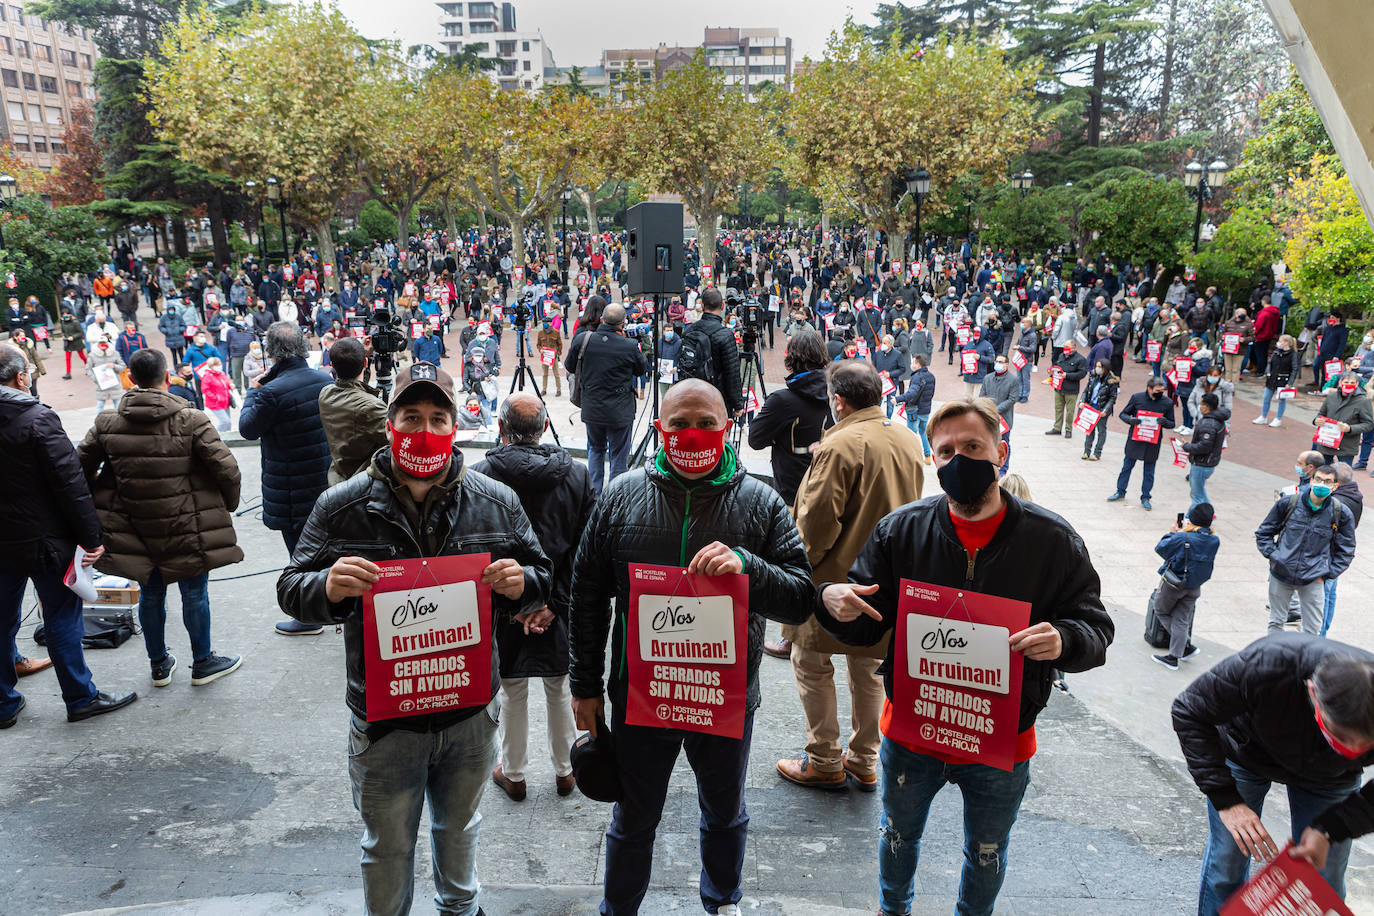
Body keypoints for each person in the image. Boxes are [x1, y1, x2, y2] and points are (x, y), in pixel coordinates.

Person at [816, 396, 1113, 916]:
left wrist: (1066, 639)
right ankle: (893, 910)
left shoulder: (1052, 539)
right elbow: (868, 622)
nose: (959, 461)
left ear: (1002, 451)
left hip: (1002, 740)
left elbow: (1096, 628)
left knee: (986, 852)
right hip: (913, 731)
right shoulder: (900, 530)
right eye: (946, 451)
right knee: (897, 837)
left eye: (973, 446)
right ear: (932, 460)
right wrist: (833, 604)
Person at [276, 361, 551, 916]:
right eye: (411, 416)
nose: (424, 430)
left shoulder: (496, 501)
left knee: (460, 833)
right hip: (385, 721)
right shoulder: (342, 506)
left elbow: (542, 576)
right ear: (389, 425)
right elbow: (291, 587)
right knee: (387, 847)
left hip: (469, 715)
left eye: (437, 417)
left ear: (455, 427)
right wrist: (327, 588)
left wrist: (525, 584)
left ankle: (460, 909)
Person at [568, 379, 814, 916]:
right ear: (659, 427)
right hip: (640, 698)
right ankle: (619, 907)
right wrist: (584, 685)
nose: (693, 433)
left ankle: (723, 900)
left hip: (723, 699)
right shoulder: (620, 496)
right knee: (633, 817)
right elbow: (586, 595)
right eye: (679, 423)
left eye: (706, 422)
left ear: (727, 428)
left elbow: (801, 598)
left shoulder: (761, 501)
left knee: (725, 812)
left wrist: (749, 566)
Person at [777, 361, 924, 793]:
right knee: (869, 667)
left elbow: (817, 524)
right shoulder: (907, 437)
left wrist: (793, 567)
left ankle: (823, 758)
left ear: (837, 401)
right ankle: (863, 760)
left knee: (810, 662)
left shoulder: (840, 443)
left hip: (831, 581)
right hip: (883, 579)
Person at [1172, 633, 1374, 914]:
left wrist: (1332, 828)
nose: (1349, 748)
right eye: (1338, 737)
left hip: (1331, 778)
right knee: (1228, 860)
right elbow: (1189, 712)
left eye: (1362, 746)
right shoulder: (1267, 666)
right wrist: (1227, 801)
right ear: (1313, 693)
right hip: (1247, 751)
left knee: (1323, 877)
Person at [76, 348, 243, 688]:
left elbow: (78, 468)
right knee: (194, 593)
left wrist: (97, 503)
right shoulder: (192, 419)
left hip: (133, 526)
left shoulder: (106, 422)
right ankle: (203, 660)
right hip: (187, 523)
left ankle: (158, 664)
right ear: (168, 378)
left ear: (131, 379)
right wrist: (228, 504)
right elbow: (226, 467)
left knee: (150, 594)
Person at [0, 343, 138, 728]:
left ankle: (3, 702)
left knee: (1, 620)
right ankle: (80, 697)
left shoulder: (34, 418)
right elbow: (70, 484)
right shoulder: (36, 418)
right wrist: (92, 537)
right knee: (62, 617)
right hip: (46, 539)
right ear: (20, 377)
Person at [472, 394, 594, 802]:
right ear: (544, 428)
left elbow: (477, 551)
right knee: (559, 686)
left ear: (502, 429)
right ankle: (565, 771)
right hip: (560, 602)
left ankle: (515, 772)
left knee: (513, 688)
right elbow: (584, 550)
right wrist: (552, 603)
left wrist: (519, 605)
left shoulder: (480, 475)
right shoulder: (577, 476)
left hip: (505, 602)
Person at [238, 321, 334, 636]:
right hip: (322, 479)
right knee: (325, 549)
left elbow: (248, 429)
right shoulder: (323, 379)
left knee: (300, 554)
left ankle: (309, 617)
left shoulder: (270, 392)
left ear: (272, 352)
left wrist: (253, 393)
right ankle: (332, 606)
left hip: (291, 487)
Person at [1255, 463, 1356, 635]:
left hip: (1314, 578)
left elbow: (1346, 549)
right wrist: (1275, 557)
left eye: (1327, 481)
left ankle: (1306, 662)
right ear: (1311, 480)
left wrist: (1327, 573)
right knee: (1276, 622)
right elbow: (1264, 533)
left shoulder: (1340, 512)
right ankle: (1273, 660)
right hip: (1281, 573)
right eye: (1318, 479)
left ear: (1335, 486)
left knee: (1312, 630)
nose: (1321, 485)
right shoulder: (1289, 503)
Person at [564, 303, 646, 495]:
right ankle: (615, 498)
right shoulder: (630, 345)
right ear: (623, 324)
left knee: (596, 449)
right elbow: (642, 370)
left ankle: (595, 496)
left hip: (592, 407)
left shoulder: (583, 339)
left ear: (602, 320)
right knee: (618, 455)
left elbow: (569, 365)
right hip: (620, 410)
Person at [747, 330, 831, 507]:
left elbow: (755, 439)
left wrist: (778, 436)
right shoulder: (836, 394)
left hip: (791, 492)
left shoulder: (782, 400)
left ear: (791, 359)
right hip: (826, 487)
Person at [1149, 503, 1220, 669]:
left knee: (1160, 610)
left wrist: (1173, 531)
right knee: (1181, 618)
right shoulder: (1214, 540)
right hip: (1195, 586)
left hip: (1174, 584)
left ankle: (1182, 648)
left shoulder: (1184, 537)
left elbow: (1161, 548)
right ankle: (1179, 652)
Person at [317, 337, 389, 486]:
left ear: (332, 366)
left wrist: (362, 356)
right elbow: (398, 439)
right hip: (361, 485)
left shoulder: (325, 394)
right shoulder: (370, 408)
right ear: (365, 363)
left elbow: (355, 390)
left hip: (337, 478)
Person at [1108, 376, 1175, 510]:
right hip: (1136, 439)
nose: (1160, 392)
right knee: (1126, 467)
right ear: (1149, 389)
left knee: (1149, 472)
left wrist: (1165, 422)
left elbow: (1172, 423)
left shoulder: (1167, 403)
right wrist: (1131, 420)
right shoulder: (1137, 398)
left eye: (1162, 390)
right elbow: (1123, 414)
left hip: (1152, 441)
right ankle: (1120, 491)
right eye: (1157, 390)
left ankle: (1146, 497)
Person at [675, 287, 745, 417]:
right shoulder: (725, 335)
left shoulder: (689, 331)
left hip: (691, 397)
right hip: (716, 400)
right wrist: (737, 404)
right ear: (722, 305)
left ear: (702, 305)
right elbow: (732, 373)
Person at [1312, 372, 1374, 465]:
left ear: (1357, 384)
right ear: (1340, 383)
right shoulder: (1331, 397)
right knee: (1323, 472)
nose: (1349, 384)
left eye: (1352, 383)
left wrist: (1350, 428)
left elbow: (1368, 424)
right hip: (1327, 442)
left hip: (1347, 446)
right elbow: (1321, 414)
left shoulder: (1363, 401)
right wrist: (1316, 420)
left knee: (1343, 476)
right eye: (1346, 382)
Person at [1181, 393, 1230, 510]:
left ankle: (1191, 519)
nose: (1199, 406)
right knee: (1200, 491)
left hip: (1202, 463)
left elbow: (1204, 447)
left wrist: (1187, 446)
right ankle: (1209, 512)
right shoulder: (1217, 419)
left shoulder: (1208, 424)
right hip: (1209, 462)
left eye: (1201, 404)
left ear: (1206, 407)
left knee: (1196, 496)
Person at [979, 353, 1018, 474]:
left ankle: (1004, 468)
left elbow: (1012, 399)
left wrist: (995, 409)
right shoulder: (988, 378)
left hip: (1004, 419)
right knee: (989, 442)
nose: (998, 364)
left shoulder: (1013, 380)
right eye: (997, 361)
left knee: (1004, 443)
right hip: (988, 416)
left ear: (1006, 364)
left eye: (1001, 362)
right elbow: (982, 395)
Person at [896, 352, 935, 463]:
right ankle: (927, 456)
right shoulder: (931, 376)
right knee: (923, 433)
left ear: (917, 364)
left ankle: (911, 458)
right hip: (926, 410)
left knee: (911, 435)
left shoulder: (917, 377)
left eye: (913, 362)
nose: (912, 364)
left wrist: (898, 399)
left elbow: (912, 393)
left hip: (915, 410)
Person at [1043, 342, 1088, 438]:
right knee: (1058, 409)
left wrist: (1067, 375)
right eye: (1064, 346)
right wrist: (1051, 375)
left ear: (1073, 347)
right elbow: (1057, 368)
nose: (1064, 348)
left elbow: (1082, 374)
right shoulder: (1061, 356)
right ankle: (1057, 428)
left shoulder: (1080, 359)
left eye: (1067, 347)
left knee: (1070, 411)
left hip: (1071, 390)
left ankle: (1068, 429)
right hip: (1059, 388)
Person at [1253, 333, 1299, 428]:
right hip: (1272, 378)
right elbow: (1270, 363)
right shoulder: (1276, 352)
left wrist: (1289, 383)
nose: (1278, 343)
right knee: (1266, 398)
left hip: (1283, 380)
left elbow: (1294, 369)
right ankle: (1263, 416)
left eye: (1280, 341)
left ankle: (1278, 418)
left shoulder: (1293, 355)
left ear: (1286, 343)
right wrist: (1268, 372)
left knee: (1281, 400)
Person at [1077, 360, 1118, 462]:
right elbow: (1086, 390)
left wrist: (1105, 410)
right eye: (1097, 366)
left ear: (1105, 368)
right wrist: (1082, 401)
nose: (1097, 368)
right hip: (1091, 407)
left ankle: (1097, 452)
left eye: (1099, 367)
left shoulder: (1111, 381)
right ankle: (1086, 451)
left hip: (1101, 409)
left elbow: (1112, 398)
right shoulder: (1093, 376)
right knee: (1089, 430)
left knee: (1101, 431)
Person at [200, 356, 236, 431]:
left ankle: (227, 437)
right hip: (216, 403)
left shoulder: (222, 373)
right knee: (225, 421)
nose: (220, 366)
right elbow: (205, 390)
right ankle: (214, 435)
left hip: (225, 402)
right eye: (218, 364)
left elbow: (225, 384)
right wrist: (216, 397)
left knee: (228, 423)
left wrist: (230, 386)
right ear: (212, 366)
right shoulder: (208, 376)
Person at [536, 318, 563, 396]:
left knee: (556, 374)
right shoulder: (540, 333)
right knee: (544, 374)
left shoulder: (556, 332)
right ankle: (544, 389)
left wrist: (558, 353)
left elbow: (560, 344)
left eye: (546, 322)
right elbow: (538, 344)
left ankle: (558, 390)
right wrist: (540, 350)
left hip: (553, 356)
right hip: (544, 356)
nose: (545, 324)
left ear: (551, 323)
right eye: (543, 322)